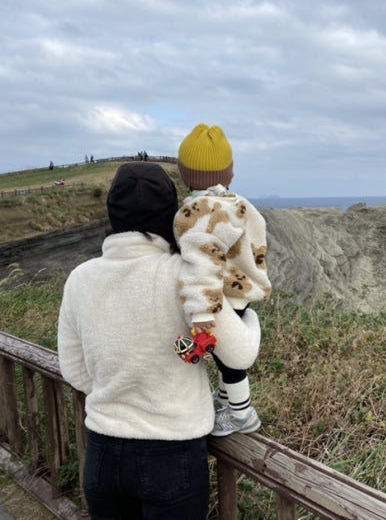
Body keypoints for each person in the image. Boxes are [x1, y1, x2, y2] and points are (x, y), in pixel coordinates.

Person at [57, 162, 261, 518]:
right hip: (172, 453)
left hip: (103, 450)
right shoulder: (185, 274)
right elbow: (240, 354)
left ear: (112, 214)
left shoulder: (80, 278)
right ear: (172, 214)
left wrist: (124, 391)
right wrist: (250, 317)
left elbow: (74, 372)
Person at [174, 123, 271, 436]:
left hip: (222, 296)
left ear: (184, 174)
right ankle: (227, 401)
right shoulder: (238, 204)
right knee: (222, 353)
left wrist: (202, 310)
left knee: (229, 361)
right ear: (229, 173)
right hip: (242, 289)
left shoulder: (200, 212)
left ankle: (242, 414)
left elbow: (202, 262)